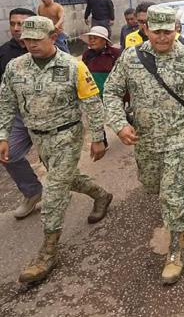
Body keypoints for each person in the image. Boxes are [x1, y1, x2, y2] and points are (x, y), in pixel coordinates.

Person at [104, 5, 184, 284]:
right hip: (145, 137)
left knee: (173, 193)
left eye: (168, 32)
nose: (163, 38)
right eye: (157, 32)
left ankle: (176, 251)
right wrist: (119, 124)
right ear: (145, 29)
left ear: (176, 30)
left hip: (179, 135)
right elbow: (112, 91)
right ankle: (171, 209)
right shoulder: (131, 57)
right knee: (153, 185)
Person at [0, 16, 112, 284]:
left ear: (52, 37)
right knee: (66, 178)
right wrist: (3, 134)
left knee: (53, 192)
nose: (31, 44)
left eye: (37, 39)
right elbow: (6, 102)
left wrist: (98, 137)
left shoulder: (73, 66)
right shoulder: (16, 67)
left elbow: (92, 103)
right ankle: (101, 195)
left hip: (67, 135)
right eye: (26, 40)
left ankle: (47, 253)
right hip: (38, 137)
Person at [0, 8, 43, 219]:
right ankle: (32, 191)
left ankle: (66, 189)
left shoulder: (46, 47)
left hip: (47, 115)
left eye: (22, 24)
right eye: (13, 23)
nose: (17, 28)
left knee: (55, 161)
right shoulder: (4, 53)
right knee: (8, 154)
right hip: (18, 115)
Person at [81, 26, 121, 150]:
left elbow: (121, 73)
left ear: (104, 41)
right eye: (90, 38)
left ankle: (130, 128)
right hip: (93, 93)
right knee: (95, 117)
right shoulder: (87, 55)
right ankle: (102, 141)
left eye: (95, 38)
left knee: (117, 114)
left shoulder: (115, 54)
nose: (92, 40)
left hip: (111, 92)